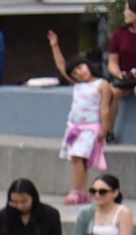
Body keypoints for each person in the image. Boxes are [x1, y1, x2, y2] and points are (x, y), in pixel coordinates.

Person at [47, 31, 110, 204]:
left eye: (81, 68)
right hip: (75, 127)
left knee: (78, 156)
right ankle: (81, 192)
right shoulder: (78, 84)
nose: (79, 73)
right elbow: (62, 65)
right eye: (75, 72)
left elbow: (105, 108)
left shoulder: (101, 84)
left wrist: (105, 128)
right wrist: (55, 46)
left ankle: (76, 191)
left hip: (91, 127)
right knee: (79, 159)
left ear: (88, 65)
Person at [107, 0, 136, 142]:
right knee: (111, 93)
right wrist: (119, 73)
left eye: (127, 9)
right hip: (125, 80)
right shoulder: (119, 34)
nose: (124, 13)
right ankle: (109, 132)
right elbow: (112, 63)